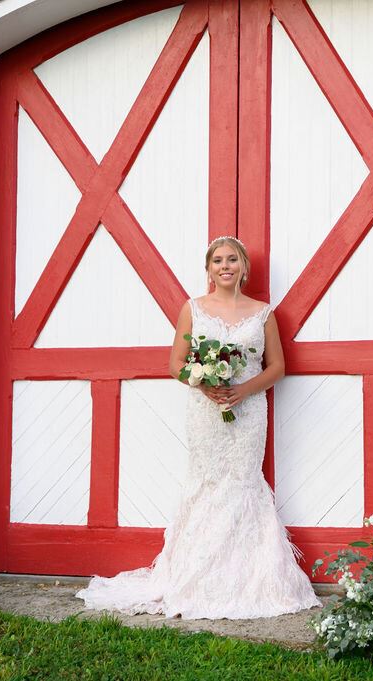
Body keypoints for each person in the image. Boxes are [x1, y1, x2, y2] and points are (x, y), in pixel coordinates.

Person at [76, 236, 320, 619]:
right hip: (206, 413)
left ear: (243, 267)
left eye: (232, 260)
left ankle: (251, 580)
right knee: (206, 480)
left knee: (243, 480)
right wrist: (204, 383)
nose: (225, 266)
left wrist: (243, 390)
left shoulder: (263, 314)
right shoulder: (193, 309)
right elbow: (176, 363)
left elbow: (277, 367)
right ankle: (194, 577)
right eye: (218, 261)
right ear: (208, 270)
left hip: (248, 412)